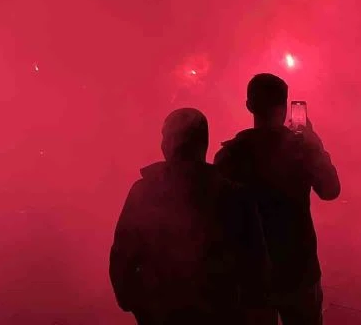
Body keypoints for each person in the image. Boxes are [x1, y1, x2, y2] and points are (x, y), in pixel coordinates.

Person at [109, 107, 270, 325]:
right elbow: (256, 266)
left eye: (165, 137)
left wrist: (134, 303)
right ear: (204, 144)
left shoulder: (143, 191)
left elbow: (122, 256)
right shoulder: (235, 195)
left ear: (168, 145)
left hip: (159, 315)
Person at [215, 74, 340, 325]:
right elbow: (330, 190)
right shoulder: (301, 149)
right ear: (285, 108)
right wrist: (315, 144)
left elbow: (217, 218)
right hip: (299, 267)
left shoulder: (230, 156)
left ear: (249, 106)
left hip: (252, 272)